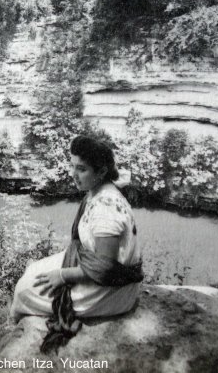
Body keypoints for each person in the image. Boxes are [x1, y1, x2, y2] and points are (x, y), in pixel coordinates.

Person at [10, 135, 143, 353]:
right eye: (73, 166)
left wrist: (63, 275)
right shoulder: (99, 191)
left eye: (81, 169)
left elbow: (104, 268)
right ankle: (17, 334)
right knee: (31, 270)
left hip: (112, 290)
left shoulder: (105, 208)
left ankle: (20, 342)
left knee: (24, 290)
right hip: (97, 272)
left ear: (101, 172)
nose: (74, 175)